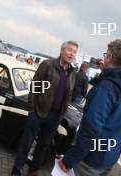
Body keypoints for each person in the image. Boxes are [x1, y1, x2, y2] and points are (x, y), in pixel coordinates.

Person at [57, 38, 121, 176]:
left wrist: (69, 160)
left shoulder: (106, 88)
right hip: (111, 155)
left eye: (106, 55)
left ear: (110, 57)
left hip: (90, 159)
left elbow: (90, 129)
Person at [11, 41, 78, 176]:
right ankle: (16, 171)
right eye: (70, 50)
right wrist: (32, 110)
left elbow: (68, 95)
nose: (72, 54)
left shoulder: (72, 72)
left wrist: (61, 114)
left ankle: (33, 170)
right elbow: (35, 86)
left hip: (55, 116)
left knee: (43, 146)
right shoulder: (48, 65)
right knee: (26, 144)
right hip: (38, 112)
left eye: (75, 52)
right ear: (62, 50)